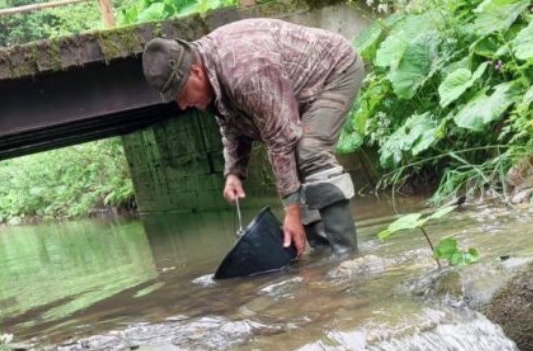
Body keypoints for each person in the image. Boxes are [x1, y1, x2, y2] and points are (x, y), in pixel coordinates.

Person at [141, 18, 365, 258]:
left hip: (333, 72)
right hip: (292, 91)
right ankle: (325, 253)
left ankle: (346, 258)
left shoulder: (246, 70)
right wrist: (234, 172)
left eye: (181, 95)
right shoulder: (208, 68)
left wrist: (291, 212)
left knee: (309, 151)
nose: (183, 105)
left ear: (196, 72)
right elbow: (230, 121)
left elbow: (281, 140)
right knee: (296, 162)